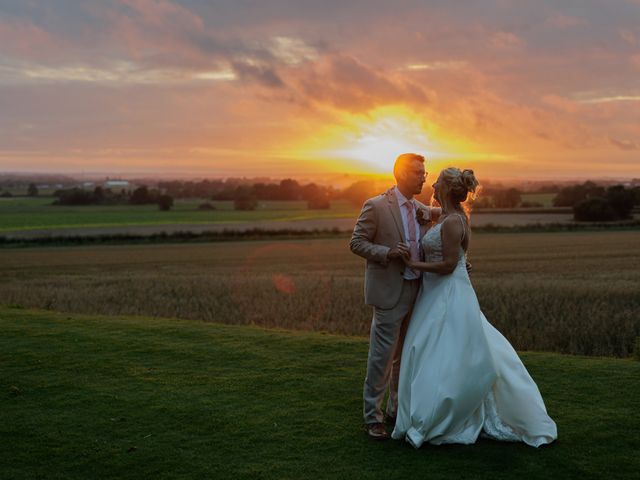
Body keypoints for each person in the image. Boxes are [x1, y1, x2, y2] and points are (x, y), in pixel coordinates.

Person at [391, 167, 558, 448]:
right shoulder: (444, 215)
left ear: (444, 189)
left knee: (447, 348)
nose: (431, 183)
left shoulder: (454, 220)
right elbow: (448, 247)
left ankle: (446, 410)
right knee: (434, 348)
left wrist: (412, 264)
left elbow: (446, 266)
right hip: (434, 292)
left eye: (436, 181)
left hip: (448, 292)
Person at [350, 153, 439, 440]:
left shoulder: (421, 208)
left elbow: (451, 217)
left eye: (424, 172)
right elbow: (356, 242)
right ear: (399, 173)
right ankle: (372, 417)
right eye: (417, 172)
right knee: (382, 357)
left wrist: (459, 259)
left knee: (406, 357)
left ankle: (396, 409)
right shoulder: (376, 206)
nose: (423, 177)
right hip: (389, 292)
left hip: (418, 291)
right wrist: (387, 253)